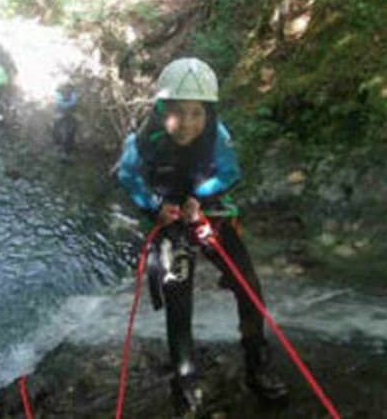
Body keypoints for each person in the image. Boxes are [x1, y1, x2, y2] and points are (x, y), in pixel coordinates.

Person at [117, 58, 289, 414]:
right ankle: (185, 381)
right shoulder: (144, 140)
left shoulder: (216, 134)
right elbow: (128, 176)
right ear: (162, 109)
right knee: (179, 302)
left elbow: (229, 172)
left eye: (196, 113)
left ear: (207, 112)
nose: (187, 123)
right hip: (170, 221)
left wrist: (200, 197)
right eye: (177, 113)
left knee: (248, 287)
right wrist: (155, 206)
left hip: (207, 214)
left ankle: (257, 365)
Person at [52, 82, 78, 155]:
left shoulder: (73, 95)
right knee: (55, 125)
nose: (68, 90)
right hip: (60, 113)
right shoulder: (59, 95)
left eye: (70, 88)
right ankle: (57, 144)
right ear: (64, 88)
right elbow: (59, 102)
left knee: (72, 129)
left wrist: (70, 112)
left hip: (70, 113)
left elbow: (73, 103)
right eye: (67, 88)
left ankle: (69, 147)